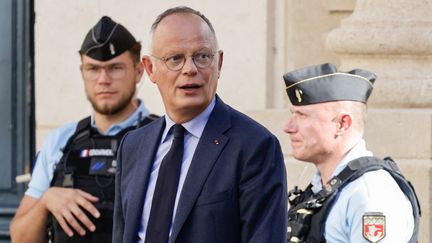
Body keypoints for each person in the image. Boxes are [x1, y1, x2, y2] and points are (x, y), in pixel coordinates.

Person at [113, 6, 288, 243]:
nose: (190, 69)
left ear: (219, 63)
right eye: (175, 59)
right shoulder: (132, 145)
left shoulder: (254, 146)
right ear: (151, 68)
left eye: (202, 56)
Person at [10, 16, 158, 243]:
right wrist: (46, 202)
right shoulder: (60, 141)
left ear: (139, 71)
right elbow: (20, 238)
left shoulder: (164, 136)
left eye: (115, 68)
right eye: (93, 69)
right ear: (82, 72)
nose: (103, 79)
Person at [283, 63, 421, 243]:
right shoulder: (324, 188)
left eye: (302, 115)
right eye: (292, 114)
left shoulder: (370, 194)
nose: (288, 127)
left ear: (342, 124)